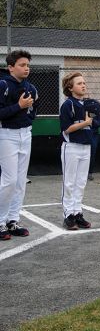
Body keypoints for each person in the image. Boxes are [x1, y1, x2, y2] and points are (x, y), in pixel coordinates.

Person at [0, 50, 38, 241]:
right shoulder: (3, 85)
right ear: (10, 67)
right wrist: (19, 107)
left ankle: (12, 220)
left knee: (20, 180)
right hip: (6, 134)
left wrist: (27, 114)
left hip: (26, 134)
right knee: (9, 180)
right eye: (22, 65)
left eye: (28, 65)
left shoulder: (30, 87)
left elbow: (34, 110)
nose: (26, 68)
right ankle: (0, 220)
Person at [60, 72, 100, 230]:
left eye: (84, 83)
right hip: (71, 147)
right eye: (79, 83)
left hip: (86, 146)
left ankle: (78, 212)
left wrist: (95, 119)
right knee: (69, 182)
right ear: (70, 88)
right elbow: (66, 129)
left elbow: (97, 121)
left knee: (81, 183)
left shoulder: (87, 104)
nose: (83, 85)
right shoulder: (68, 104)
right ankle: (68, 215)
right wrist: (86, 122)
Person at [87, 99, 100, 181]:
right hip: (83, 136)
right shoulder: (83, 114)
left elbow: (98, 123)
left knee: (92, 153)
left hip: (93, 136)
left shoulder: (99, 117)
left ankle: (89, 173)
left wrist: (91, 119)